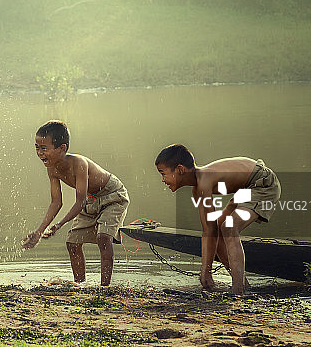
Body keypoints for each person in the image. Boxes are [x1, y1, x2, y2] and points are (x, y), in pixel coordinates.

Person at [154, 144, 281, 295]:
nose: (162, 180)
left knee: (229, 227)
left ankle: (238, 290)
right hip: (246, 188)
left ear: (180, 170)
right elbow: (209, 230)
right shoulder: (198, 189)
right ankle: (244, 285)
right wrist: (205, 270)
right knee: (221, 226)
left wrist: (206, 270)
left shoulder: (204, 181)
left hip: (262, 182)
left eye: (163, 173)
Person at [22, 120, 129, 286]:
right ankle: (79, 284)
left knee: (103, 238)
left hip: (112, 196)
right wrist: (39, 232)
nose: (40, 153)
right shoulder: (52, 169)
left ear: (62, 148)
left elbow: (79, 202)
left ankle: (105, 288)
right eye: (37, 147)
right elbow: (56, 203)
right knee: (72, 242)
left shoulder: (79, 163)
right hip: (91, 199)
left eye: (44, 148)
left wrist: (59, 225)